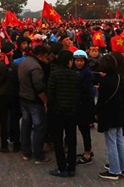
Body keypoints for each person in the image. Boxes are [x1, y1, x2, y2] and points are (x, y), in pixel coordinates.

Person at [96, 54, 124, 180]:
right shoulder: (120, 77)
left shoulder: (105, 81)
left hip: (108, 113)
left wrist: (96, 112)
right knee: (120, 140)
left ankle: (114, 170)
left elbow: (101, 99)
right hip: (119, 112)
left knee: (111, 142)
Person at [47, 50, 80, 178]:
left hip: (57, 112)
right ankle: (72, 167)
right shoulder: (76, 75)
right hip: (72, 112)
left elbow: (50, 94)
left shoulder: (54, 75)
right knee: (71, 140)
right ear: (69, 61)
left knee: (58, 140)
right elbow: (80, 93)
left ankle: (62, 167)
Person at [18, 44, 52, 165]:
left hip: (23, 98)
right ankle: (39, 156)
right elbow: (39, 87)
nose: (46, 59)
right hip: (34, 101)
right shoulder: (36, 68)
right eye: (45, 57)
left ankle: (26, 152)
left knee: (26, 126)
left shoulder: (24, 62)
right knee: (39, 128)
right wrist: (45, 101)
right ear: (40, 56)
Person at [73, 49, 95, 165]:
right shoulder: (74, 71)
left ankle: (87, 152)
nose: (79, 63)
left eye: (81, 61)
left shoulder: (87, 73)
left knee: (85, 130)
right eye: (77, 61)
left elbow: (86, 90)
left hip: (85, 105)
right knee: (81, 129)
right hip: (77, 105)